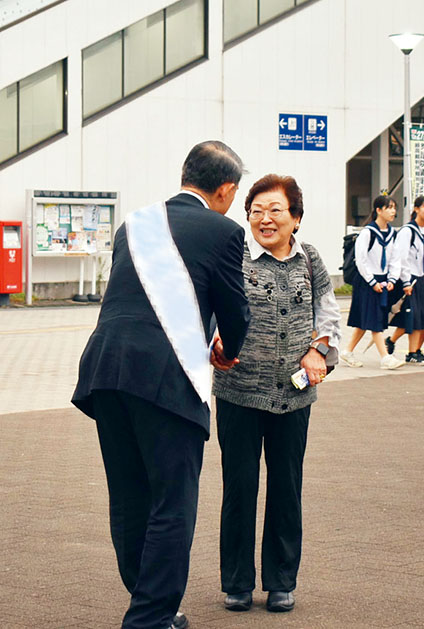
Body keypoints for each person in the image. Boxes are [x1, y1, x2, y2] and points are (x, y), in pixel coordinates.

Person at [72, 141, 251, 629]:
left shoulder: (136, 223)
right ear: (227, 189)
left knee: (130, 497)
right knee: (173, 503)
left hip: (106, 370)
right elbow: (235, 310)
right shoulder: (223, 230)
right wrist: (228, 351)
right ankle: (150, 617)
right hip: (166, 378)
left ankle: (151, 603)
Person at [211, 174, 341, 615]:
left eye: (275, 211)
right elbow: (211, 308)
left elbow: (327, 311)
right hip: (237, 393)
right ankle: (237, 583)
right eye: (256, 211)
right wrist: (213, 343)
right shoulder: (234, 257)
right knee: (240, 487)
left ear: (296, 218)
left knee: (287, 487)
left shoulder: (311, 261)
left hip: (293, 397)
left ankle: (282, 581)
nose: (265, 220)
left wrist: (319, 351)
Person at [340, 195, 405, 369]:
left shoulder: (392, 234)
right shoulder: (367, 233)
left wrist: (392, 278)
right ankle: (385, 358)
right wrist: (372, 281)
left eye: (394, 207)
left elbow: (395, 259)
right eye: (389, 207)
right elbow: (361, 260)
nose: (393, 211)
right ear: (378, 210)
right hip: (367, 281)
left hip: (383, 280)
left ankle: (347, 351)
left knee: (366, 320)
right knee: (375, 320)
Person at [386, 195, 424, 365]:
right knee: (413, 317)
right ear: (416, 209)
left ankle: (393, 342)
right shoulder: (407, 231)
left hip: (421, 277)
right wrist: (406, 281)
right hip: (409, 278)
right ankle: (412, 353)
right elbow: (401, 258)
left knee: (421, 317)